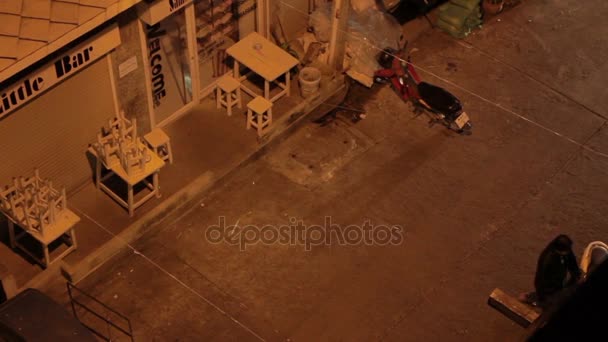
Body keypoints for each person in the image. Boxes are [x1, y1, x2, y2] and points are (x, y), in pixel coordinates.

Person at [533, 234, 582, 308]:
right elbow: (540, 279)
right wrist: (542, 296)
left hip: (559, 284)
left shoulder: (565, 251)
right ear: (557, 250)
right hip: (548, 289)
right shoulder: (547, 259)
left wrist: (576, 276)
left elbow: (572, 263)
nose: (568, 252)